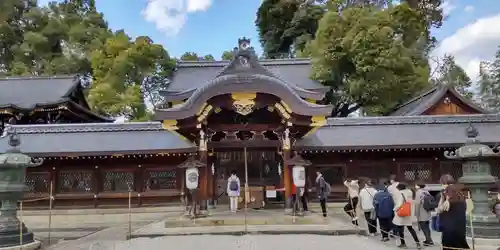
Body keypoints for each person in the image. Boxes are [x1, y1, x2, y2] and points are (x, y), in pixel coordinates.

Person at [437, 183, 470, 250]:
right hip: (460, 230)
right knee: (461, 245)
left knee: (449, 246)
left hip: (449, 230)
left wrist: (442, 198)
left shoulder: (448, 202)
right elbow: (467, 210)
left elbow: (439, 210)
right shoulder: (462, 201)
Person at [393, 182, 421, 249]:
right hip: (409, 212)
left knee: (400, 229)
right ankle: (418, 243)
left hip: (402, 213)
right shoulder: (410, 191)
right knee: (410, 228)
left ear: (399, 188)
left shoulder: (401, 193)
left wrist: (395, 209)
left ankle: (403, 244)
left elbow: (400, 203)